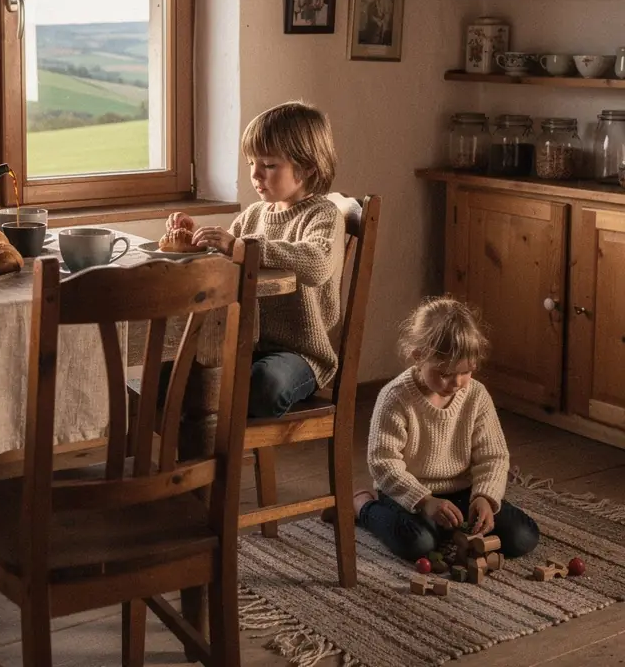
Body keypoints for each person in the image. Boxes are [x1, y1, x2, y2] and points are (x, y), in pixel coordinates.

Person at [173, 102, 344, 418]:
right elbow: (227, 260)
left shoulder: (324, 215)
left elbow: (317, 263)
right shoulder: (253, 215)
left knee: (264, 385)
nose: (254, 173)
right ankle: (202, 454)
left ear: (306, 167)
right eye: (252, 162)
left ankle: (217, 447)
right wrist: (198, 239)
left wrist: (243, 246)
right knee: (170, 376)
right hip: (246, 345)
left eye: (268, 164)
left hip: (300, 354)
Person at [353, 297, 540, 562]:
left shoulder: (476, 395)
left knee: (524, 536)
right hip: (410, 494)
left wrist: (485, 497)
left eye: (466, 371)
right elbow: (383, 462)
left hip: (462, 493)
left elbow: (493, 456)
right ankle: (363, 506)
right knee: (418, 543)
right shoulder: (395, 397)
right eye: (444, 372)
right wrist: (425, 501)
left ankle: (450, 528)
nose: (456, 382)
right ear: (418, 356)